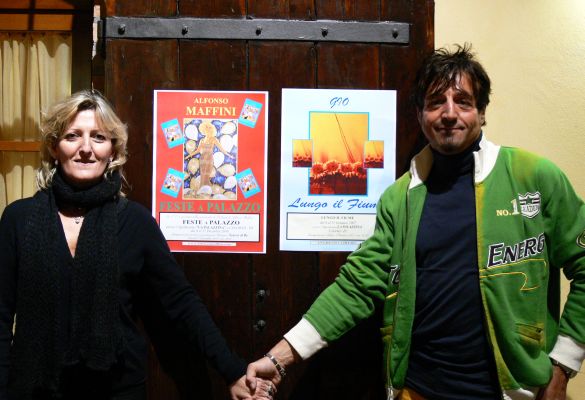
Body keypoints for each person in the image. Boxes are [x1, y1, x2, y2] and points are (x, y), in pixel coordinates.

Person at [246, 44, 585, 399]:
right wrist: (279, 358)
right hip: (417, 390)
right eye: (436, 102)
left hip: (514, 392)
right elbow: (357, 286)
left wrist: (563, 364)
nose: (449, 113)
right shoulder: (400, 198)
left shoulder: (533, 177)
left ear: (482, 112)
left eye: (463, 102)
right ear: (420, 114)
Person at [0, 90, 275, 400]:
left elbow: (181, 302)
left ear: (113, 150)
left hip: (117, 389)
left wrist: (232, 370)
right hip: (33, 388)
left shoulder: (135, 222)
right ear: (54, 147)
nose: (86, 148)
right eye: (72, 136)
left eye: (98, 137)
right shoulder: (18, 219)